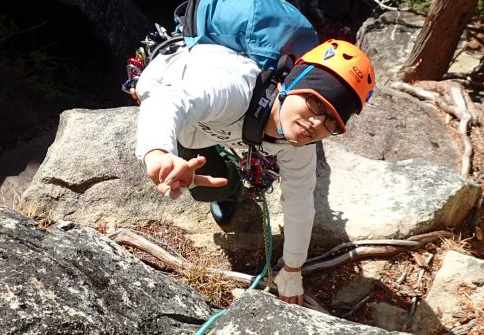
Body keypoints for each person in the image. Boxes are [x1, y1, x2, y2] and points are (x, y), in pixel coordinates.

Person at [133, 38, 375, 305]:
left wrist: (293, 269)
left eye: (333, 121)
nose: (317, 122)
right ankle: (230, 186)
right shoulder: (234, 88)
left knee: (211, 180)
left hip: (210, 130)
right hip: (180, 102)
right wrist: (158, 152)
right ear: (289, 84)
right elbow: (167, 101)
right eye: (316, 103)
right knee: (205, 187)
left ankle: (230, 180)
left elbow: (300, 203)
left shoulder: (299, 146)